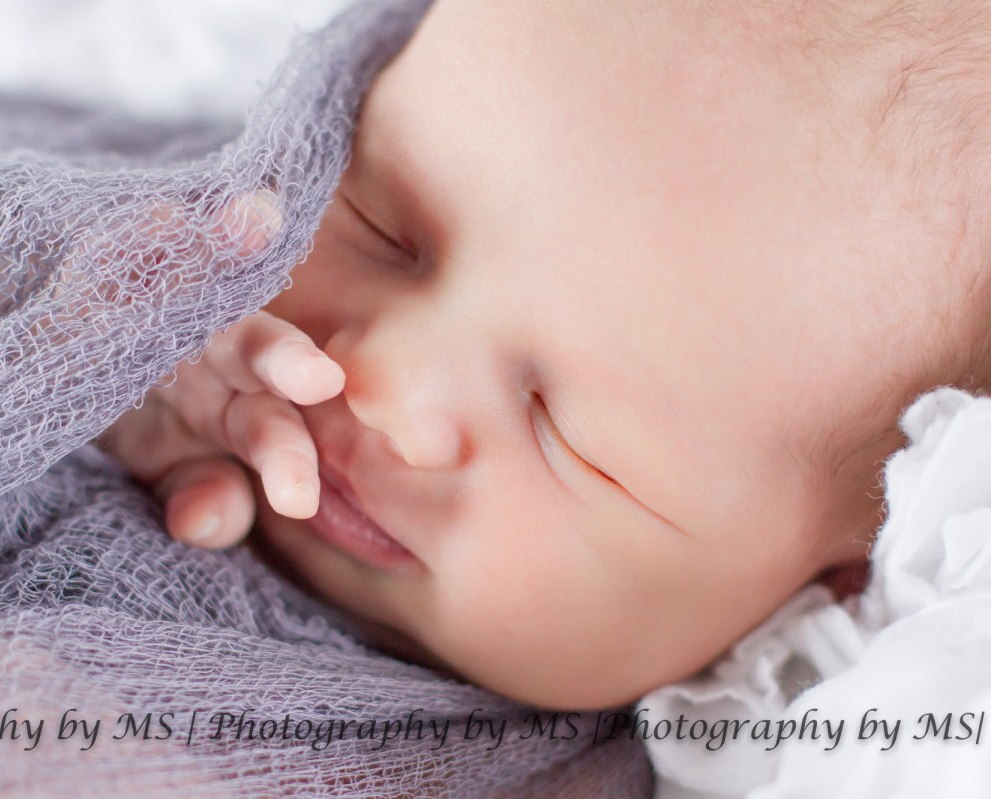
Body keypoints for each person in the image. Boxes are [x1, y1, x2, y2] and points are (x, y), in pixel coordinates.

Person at [93, 0, 991, 710]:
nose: (378, 386)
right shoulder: (174, 240)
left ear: (847, 581)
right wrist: (82, 352)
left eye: (573, 440)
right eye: (383, 229)